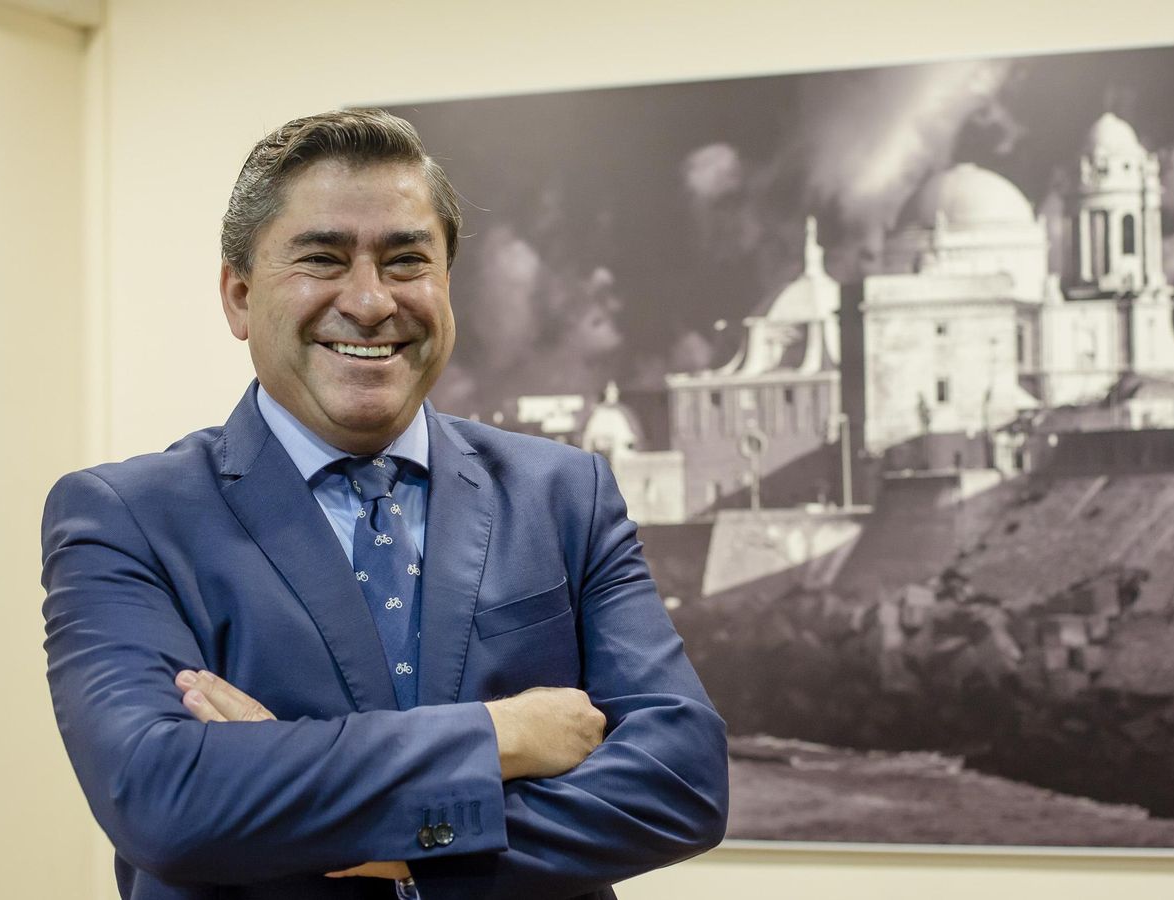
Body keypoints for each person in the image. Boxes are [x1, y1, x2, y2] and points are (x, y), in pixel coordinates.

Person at [41, 109, 729, 900]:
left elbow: (683, 781)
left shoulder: (564, 495)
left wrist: (368, 825)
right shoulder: (124, 519)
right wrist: (502, 734)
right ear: (238, 295)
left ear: (446, 286)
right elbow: (162, 798)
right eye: (323, 259)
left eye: (406, 261)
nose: (370, 302)